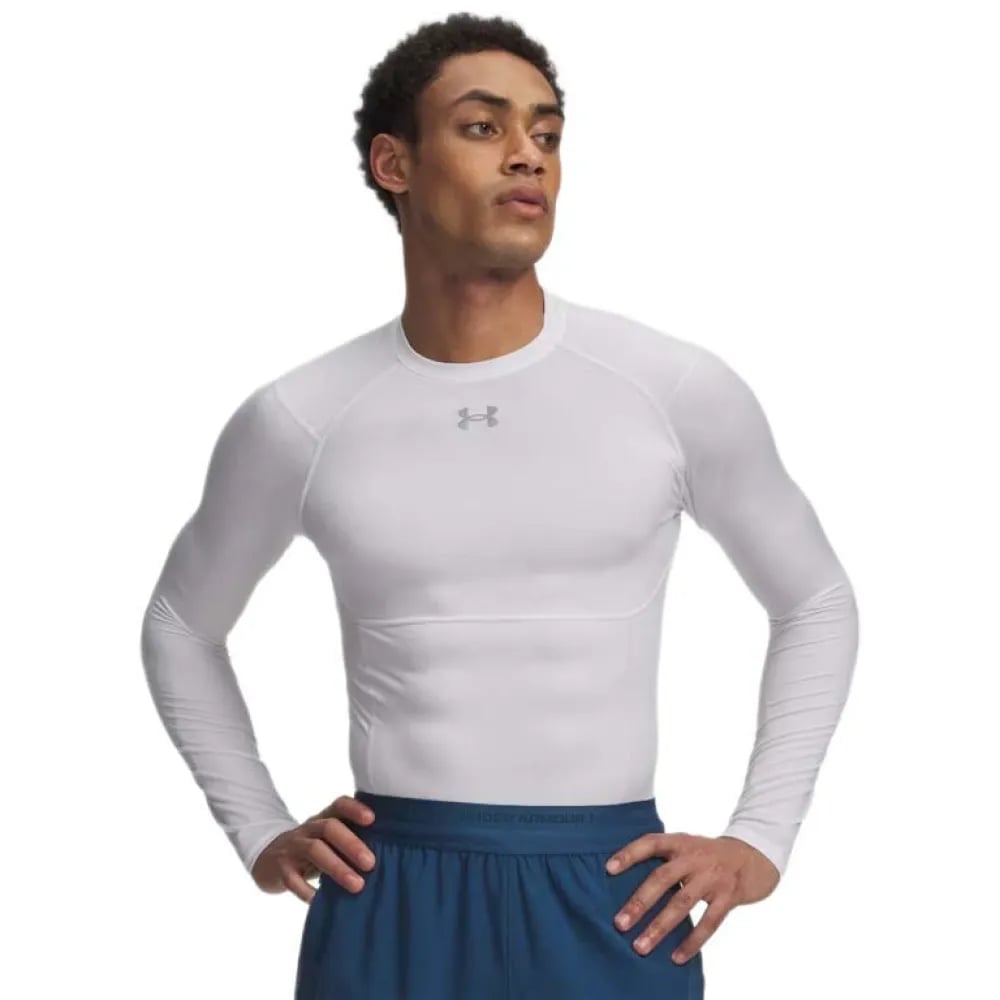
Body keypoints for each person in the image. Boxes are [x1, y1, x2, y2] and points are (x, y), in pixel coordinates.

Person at [139, 13, 859, 999]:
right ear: (394, 163)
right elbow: (181, 623)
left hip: (610, 891)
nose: (528, 154)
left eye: (547, 132)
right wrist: (257, 825)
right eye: (483, 127)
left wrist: (760, 837)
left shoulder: (670, 388)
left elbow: (814, 598)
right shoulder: (302, 417)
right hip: (392, 892)